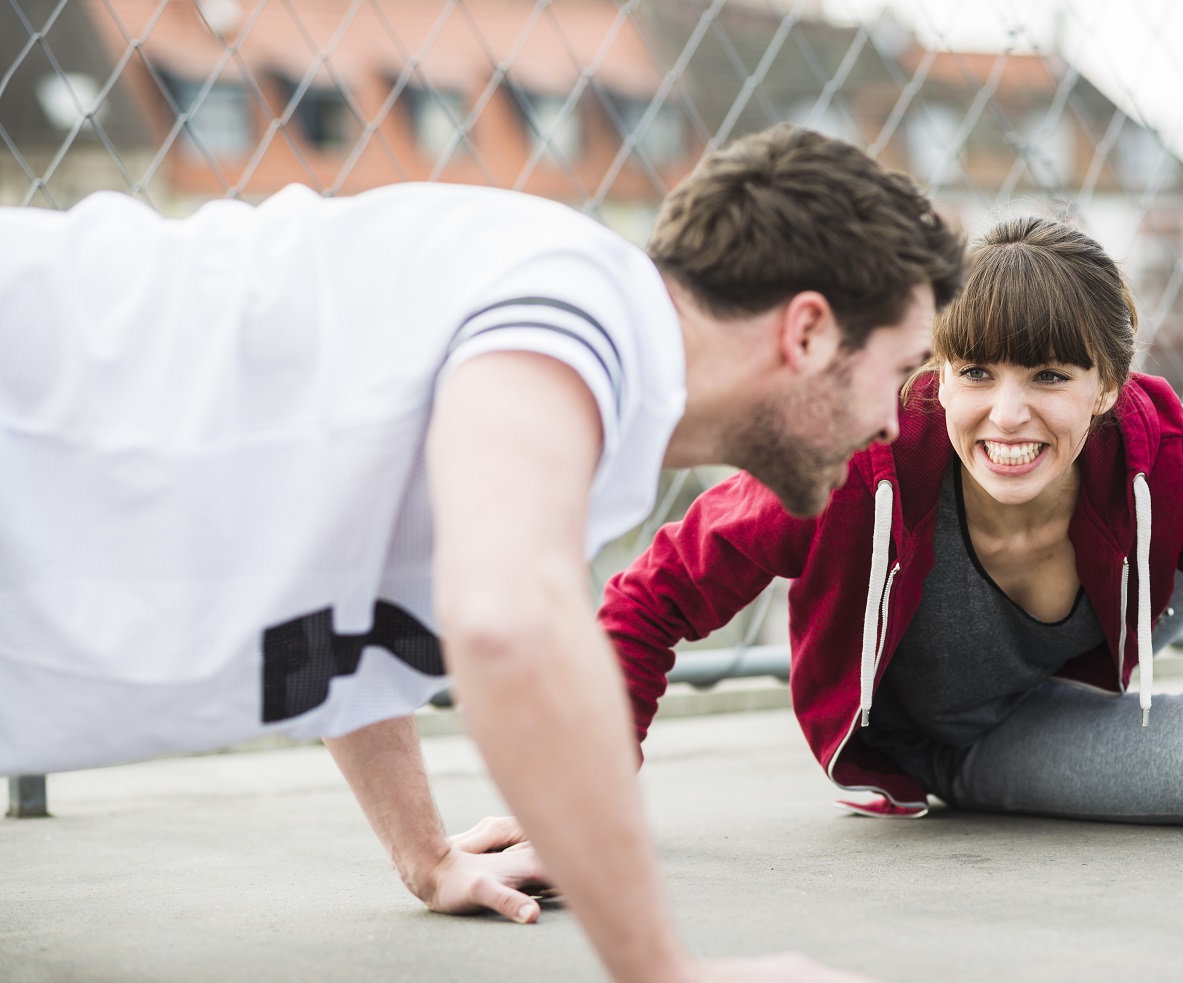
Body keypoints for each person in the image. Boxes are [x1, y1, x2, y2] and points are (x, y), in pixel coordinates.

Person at [0, 125, 965, 982]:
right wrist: (665, 969)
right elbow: (504, 622)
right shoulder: (577, 313)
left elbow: (350, 594)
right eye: (900, 367)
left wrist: (426, 854)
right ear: (807, 331)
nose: (895, 415)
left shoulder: (572, 358)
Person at [601, 216, 1183, 830]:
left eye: (1050, 375)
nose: (1007, 415)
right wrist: (579, 812)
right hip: (978, 736)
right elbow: (648, 599)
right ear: (936, 372)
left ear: (1107, 389)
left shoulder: (1153, 453)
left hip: (1116, 614)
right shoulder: (855, 460)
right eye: (975, 371)